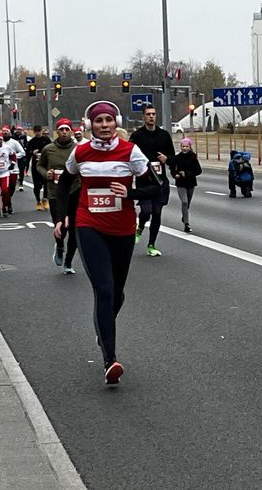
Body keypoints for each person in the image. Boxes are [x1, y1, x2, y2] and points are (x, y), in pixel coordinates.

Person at [54, 101, 161, 385]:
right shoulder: (81, 152)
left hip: (123, 229)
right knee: (103, 290)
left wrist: (129, 194)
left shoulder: (130, 152)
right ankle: (109, 360)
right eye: (98, 120)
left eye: (108, 120)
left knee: (117, 295)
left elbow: (156, 187)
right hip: (89, 226)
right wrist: (62, 217)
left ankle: (103, 328)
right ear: (91, 125)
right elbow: (64, 183)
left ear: (116, 124)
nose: (104, 125)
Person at [130, 104, 175, 256]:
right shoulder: (137, 136)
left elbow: (173, 157)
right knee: (146, 211)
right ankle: (140, 226)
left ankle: (151, 245)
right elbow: (128, 156)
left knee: (156, 212)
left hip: (160, 181)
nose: (151, 116)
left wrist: (166, 159)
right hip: (144, 181)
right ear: (143, 117)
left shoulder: (164, 135)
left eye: (153, 114)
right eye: (148, 114)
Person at [37, 118, 79, 274]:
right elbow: (39, 165)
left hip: (74, 191)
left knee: (75, 230)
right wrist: (45, 173)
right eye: (61, 129)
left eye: (67, 129)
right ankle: (60, 245)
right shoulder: (49, 149)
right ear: (57, 131)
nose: (64, 132)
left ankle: (68, 262)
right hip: (55, 193)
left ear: (71, 131)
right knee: (60, 227)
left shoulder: (78, 149)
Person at [169, 137, 202, 233]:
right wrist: (175, 174)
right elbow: (172, 168)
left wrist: (187, 173)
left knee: (188, 203)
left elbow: (198, 171)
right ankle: (187, 224)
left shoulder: (193, 157)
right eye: (183, 146)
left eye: (186, 146)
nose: (184, 148)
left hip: (191, 183)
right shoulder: (177, 157)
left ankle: (184, 216)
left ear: (190, 147)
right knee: (184, 202)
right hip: (181, 183)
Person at [25, 124, 52, 210]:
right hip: (35, 166)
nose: (38, 133)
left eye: (39, 131)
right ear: (34, 132)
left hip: (45, 165)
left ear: (42, 131)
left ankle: (45, 199)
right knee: (36, 185)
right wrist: (32, 152)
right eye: (36, 131)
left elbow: (52, 150)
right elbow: (27, 154)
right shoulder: (32, 142)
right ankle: (38, 201)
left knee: (46, 183)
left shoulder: (46, 140)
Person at [1, 126, 26, 214]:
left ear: (10, 133)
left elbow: (22, 152)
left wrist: (14, 157)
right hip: (1, 169)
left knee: (11, 187)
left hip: (13, 169)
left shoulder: (14, 143)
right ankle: (8, 204)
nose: (5, 134)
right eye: (3, 132)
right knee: (5, 188)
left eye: (7, 132)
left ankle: (8, 198)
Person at [14, 126, 29, 191]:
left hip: (22, 155)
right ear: (16, 130)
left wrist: (26, 148)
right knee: (13, 169)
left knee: (21, 168)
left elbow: (26, 144)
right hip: (14, 155)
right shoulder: (13, 137)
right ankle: (13, 180)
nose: (19, 131)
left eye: (20, 129)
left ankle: (21, 183)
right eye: (18, 129)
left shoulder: (23, 137)